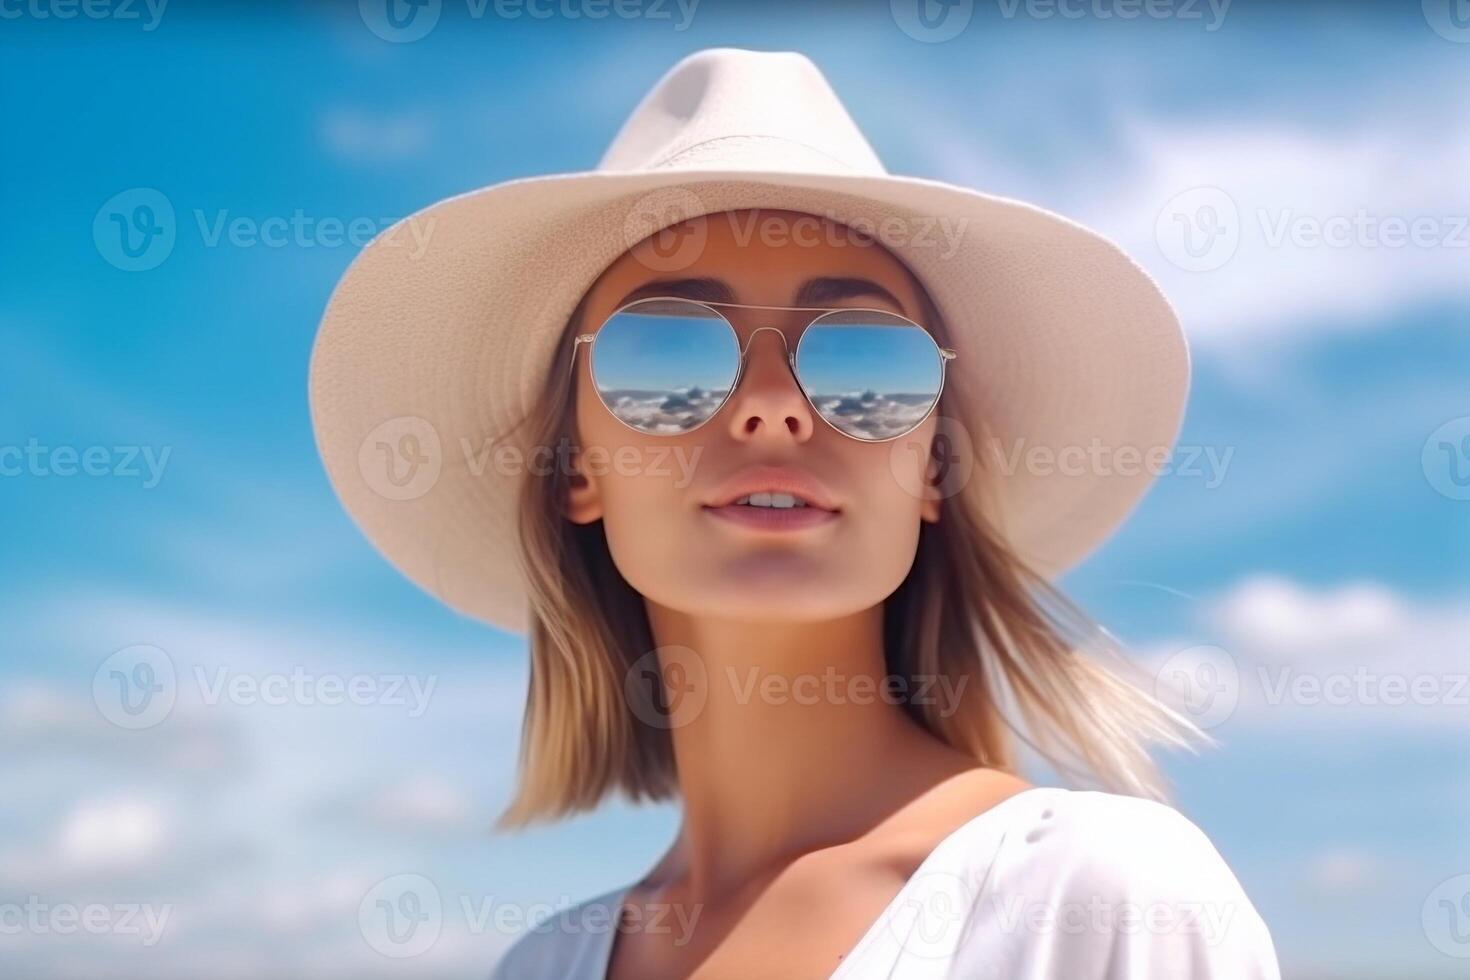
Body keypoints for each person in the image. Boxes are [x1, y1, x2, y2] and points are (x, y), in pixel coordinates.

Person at [310, 48, 1280, 979]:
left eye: (866, 355)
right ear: (575, 467)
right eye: (665, 353)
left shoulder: (1101, 903)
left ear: (934, 465)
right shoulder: (540, 965)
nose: (771, 404)